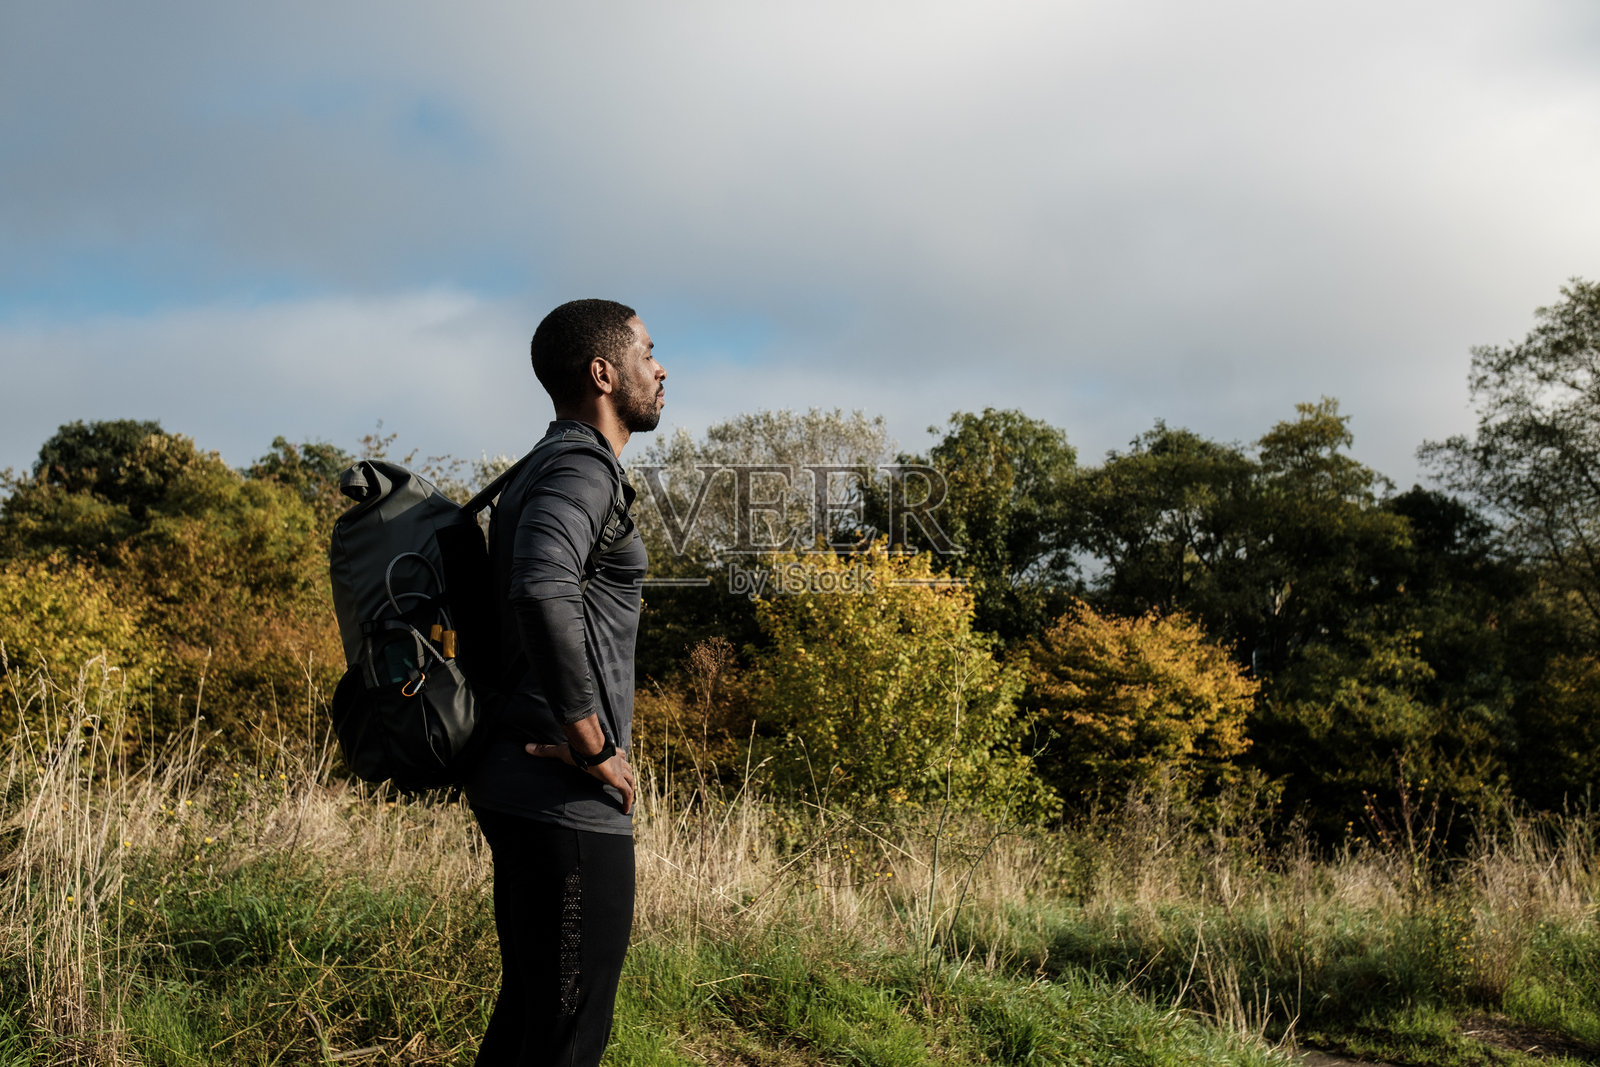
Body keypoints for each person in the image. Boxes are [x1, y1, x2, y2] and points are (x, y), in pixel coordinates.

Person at [462, 298, 666, 1067]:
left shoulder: (546, 466)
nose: (662, 367)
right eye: (649, 351)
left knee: (528, 1027)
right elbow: (542, 587)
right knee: (565, 1042)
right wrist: (591, 742)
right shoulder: (582, 468)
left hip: (523, 784)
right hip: (562, 797)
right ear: (604, 372)